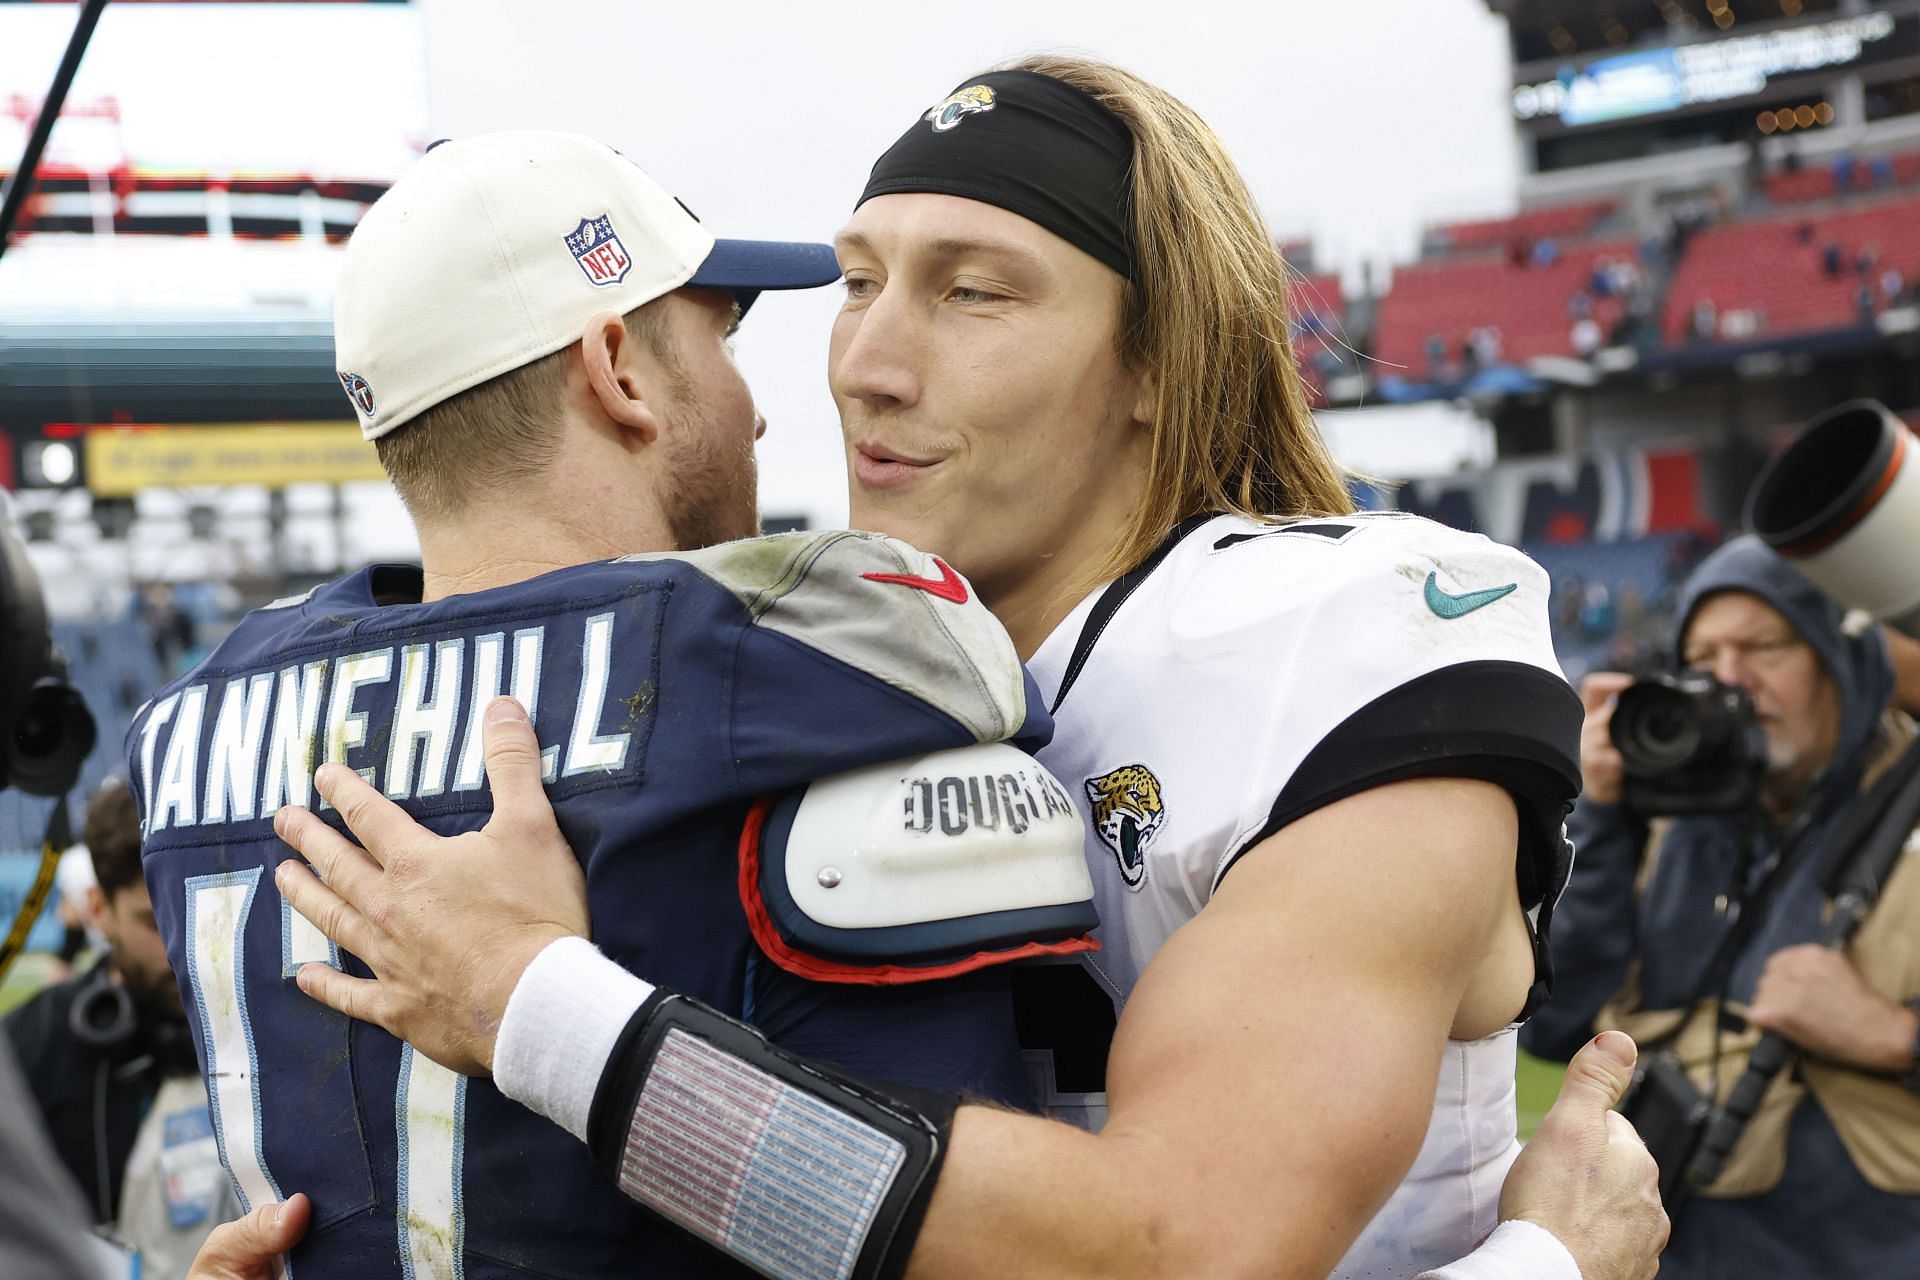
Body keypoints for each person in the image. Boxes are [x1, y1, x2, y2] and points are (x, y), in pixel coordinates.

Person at [266, 61, 1665, 1280]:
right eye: (859, 285)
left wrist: (542, 1011)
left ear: (1161, 363)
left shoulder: (1335, 629)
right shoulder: (817, 679)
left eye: (973, 294)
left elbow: (1181, 1249)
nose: (864, 364)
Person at [132, 131, 1099, 1279]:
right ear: (617, 369)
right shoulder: (780, 661)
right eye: (719, 340)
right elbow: (937, 638)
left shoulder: (193, 724)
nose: (757, 413)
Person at [1523, 535, 1920, 1278]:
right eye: (1703, 659)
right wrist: (1605, 818)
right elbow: (1556, 1024)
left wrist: (1896, 1036)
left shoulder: (1909, 803)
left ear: (1841, 661)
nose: (1731, 680)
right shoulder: (1672, 821)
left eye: (1765, 647)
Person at [4, 777, 237, 1279]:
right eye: (155, 924)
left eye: (202, 915)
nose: (184, 949)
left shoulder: (286, 1028)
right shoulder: (27, 1053)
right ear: (97, 910)